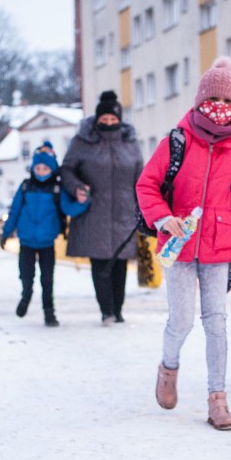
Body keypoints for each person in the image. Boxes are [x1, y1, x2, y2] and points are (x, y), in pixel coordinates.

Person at [136, 57, 231, 431]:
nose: (220, 108)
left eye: (228, 102)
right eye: (213, 100)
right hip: (178, 245)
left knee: (216, 322)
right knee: (180, 321)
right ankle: (168, 367)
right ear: (198, 101)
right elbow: (146, 185)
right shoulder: (177, 140)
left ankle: (218, 400)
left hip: (221, 244)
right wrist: (163, 217)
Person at [60, 91, 144, 325]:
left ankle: (118, 310)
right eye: (104, 120)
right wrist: (76, 187)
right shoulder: (82, 142)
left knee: (120, 264)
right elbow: (66, 170)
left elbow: (141, 176)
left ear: (120, 119)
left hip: (125, 213)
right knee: (100, 263)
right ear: (97, 120)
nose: (108, 123)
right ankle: (106, 311)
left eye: (113, 119)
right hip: (94, 212)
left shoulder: (130, 143)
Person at [0, 141, 89, 326]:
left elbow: (69, 209)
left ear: (52, 169)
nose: (40, 171)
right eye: (38, 168)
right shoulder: (25, 187)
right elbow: (15, 211)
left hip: (47, 243)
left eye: (45, 168)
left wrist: (83, 202)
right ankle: (26, 295)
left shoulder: (57, 190)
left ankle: (49, 313)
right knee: (26, 275)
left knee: (47, 280)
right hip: (26, 242)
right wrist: (6, 233)